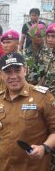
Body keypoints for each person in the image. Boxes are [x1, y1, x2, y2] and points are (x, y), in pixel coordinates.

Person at [0, 52, 55, 171]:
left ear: (25, 70)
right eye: (8, 72)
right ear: (2, 74)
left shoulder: (43, 97)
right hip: (6, 166)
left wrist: (44, 148)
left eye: (17, 70)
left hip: (35, 166)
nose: (13, 76)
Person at [44, 22, 55, 171]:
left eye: (54, 37)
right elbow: (45, 77)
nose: (51, 39)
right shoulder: (48, 54)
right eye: (49, 36)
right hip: (49, 102)